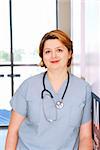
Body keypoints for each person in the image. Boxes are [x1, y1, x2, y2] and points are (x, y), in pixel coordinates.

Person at [5, 29, 93, 150]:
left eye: (59, 50)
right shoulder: (28, 86)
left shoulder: (83, 89)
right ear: (42, 56)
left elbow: (85, 137)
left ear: (69, 53)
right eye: (47, 51)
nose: (53, 56)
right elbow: (12, 131)